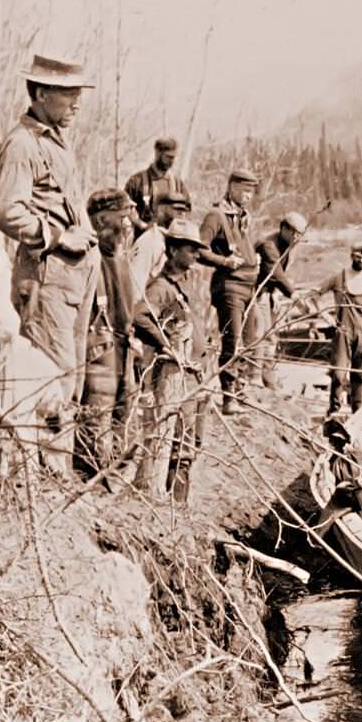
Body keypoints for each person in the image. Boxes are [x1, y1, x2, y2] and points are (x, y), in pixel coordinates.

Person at [0, 54, 99, 466]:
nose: (77, 103)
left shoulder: (54, 139)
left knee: (70, 376)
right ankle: (48, 479)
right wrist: (57, 236)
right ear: (40, 94)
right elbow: (6, 210)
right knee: (52, 379)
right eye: (68, 94)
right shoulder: (22, 143)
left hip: (73, 275)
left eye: (78, 94)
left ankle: (58, 470)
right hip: (47, 273)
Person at [133, 219, 210, 503]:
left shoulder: (183, 285)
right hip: (178, 380)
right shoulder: (162, 287)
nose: (196, 255)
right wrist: (166, 345)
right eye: (190, 249)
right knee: (180, 446)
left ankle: (177, 504)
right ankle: (175, 507)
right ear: (174, 250)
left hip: (194, 377)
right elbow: (140, 316)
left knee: (192, 442)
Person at [77, 189, 141, 480]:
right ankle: (88, 478)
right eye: (122, 216)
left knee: (123, 416)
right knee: (95, 417)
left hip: (123, 348)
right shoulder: (87, 256)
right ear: (102, 220)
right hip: (99, 350)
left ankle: (112, 479)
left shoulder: (122, 257)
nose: (128, 223)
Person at [199, 168, 260, 414]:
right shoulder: (217, 216)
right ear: (232, 187)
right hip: (230, 286)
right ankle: (228, 397)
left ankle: (240, 391)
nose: (248, 196)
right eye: (244, 191)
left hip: (248, 286)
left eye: (251, 192)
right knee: (232, 342)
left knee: (249, 342)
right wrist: (224, 261)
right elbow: (199, 249)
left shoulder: (243, 216)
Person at [303, 242, 362, 416]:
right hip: (343, 332)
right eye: (357, 257)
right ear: (351, 256)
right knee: (338, 374)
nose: (361, 260)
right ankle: (334, 411)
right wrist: (325, 316)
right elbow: (314, 294)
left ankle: (357, 414)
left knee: (359, 376)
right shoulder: (339, 278)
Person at [252, 212, 308, 389]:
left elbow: (279, 274)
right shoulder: (268, 245)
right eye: (294, 234)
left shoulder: (287, 246)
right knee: (259, 334)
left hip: (267, 293)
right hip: (254, 292)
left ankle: (268, 378)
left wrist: (275, 293)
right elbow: (275, 273)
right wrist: (293, 295)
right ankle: (254, 377)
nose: (297, 239)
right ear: (284, 229)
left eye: (300, 235)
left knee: (270, 336)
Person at [129, 186, 193, 303]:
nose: (182, 215)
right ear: (160, 211)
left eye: (183, 211)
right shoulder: (151, 242)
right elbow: (135, 288)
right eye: (176, 210)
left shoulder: (166, 240)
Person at [124, 136, 189, 226]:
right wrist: (142, 225)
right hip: (143, 233)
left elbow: (186, 210)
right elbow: (125, 209)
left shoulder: (178, 184)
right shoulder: (136, 181)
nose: (171, 161)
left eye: (173, 158)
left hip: (171, 233)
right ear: (157, 153)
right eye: (168, 157)